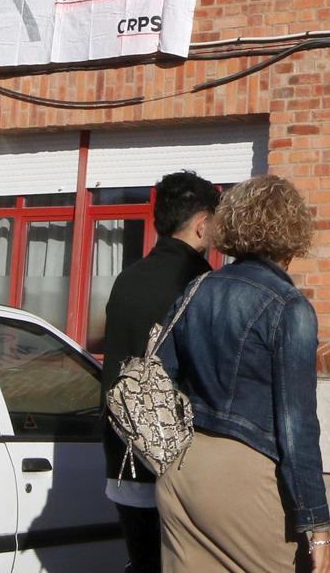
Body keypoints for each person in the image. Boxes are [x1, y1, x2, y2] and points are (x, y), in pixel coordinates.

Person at [157, 174, 330, 573]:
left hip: (182, 467)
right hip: (246, 479)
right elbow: (297, 425)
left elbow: (164, 375)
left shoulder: (197, 287)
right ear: (293, 232)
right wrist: (318, 525)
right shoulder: (289, 306)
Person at [100, 171, 221, 573]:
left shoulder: (126, 279)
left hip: (123, 460)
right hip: (176, 465)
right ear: (202, 223)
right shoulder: (203, 285)